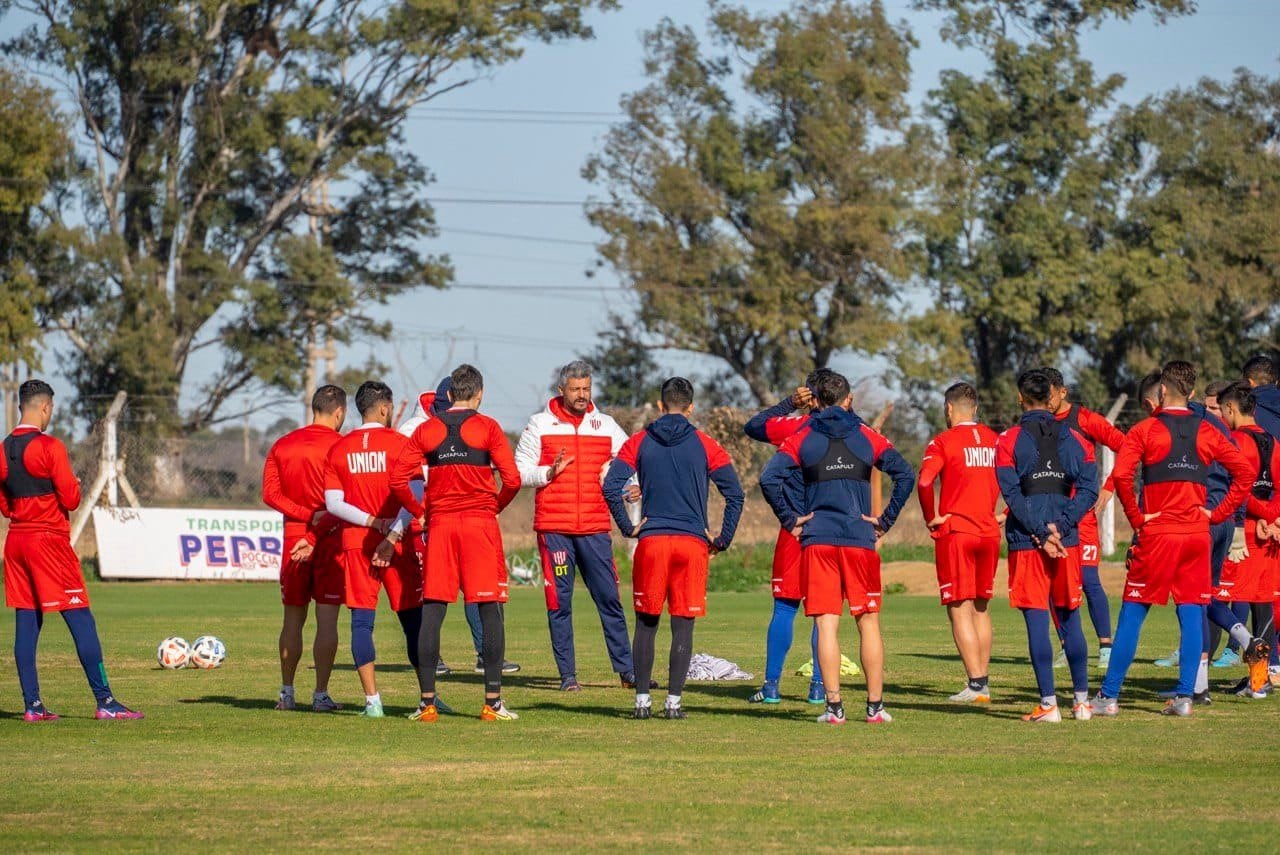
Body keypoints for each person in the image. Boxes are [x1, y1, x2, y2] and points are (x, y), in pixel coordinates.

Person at [1095, 360, 1253, 717]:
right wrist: (1218, 512)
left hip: (1158, 536)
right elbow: (1244, 472)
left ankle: (1108, 696)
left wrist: (1137, 519)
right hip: (1196, 535)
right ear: (1193, 393)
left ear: (1163, 390)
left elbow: (1122, 476)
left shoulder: (1145, 430)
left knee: (1133, 612)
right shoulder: (1208, 430)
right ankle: (1184, 697)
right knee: (1192, 611)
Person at [759, 371, 915, 726]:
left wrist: (790, 519)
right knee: (868, 623)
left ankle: (834, 708)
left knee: (826, 624)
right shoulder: (866, 435)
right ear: (848, 400)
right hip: (860, 540)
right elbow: (905, 474)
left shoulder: (803, 436)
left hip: (818, 540)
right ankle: (874, 707)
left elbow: (768, 478)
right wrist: (885, 520)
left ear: (816, 401)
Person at [603, 377, 745, 720]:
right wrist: (722, 539)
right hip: (691, 544)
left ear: (660, 405)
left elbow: (610, 486)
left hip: (652, 543)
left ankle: (642, 702)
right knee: (683, 626)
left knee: (646, 624)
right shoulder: (706, 444)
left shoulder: (639, 441)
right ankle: (674, 703)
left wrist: (628, 527)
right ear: (691, 407)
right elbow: (736, 494)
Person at [1, 379, 142, 721]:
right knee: (80, 618)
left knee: (26, 623)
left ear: (21, 406)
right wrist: (73, 485)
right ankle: (105, 701)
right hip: (48, 543)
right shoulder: (50, 446)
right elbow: (71, 499)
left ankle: (33, 706)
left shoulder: (2, 450)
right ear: (45, 407)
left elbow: (5, 506)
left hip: (16, 542)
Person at [391, 364, 522, 722]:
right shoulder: (489, 427)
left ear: (449, 395)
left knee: (433, 609)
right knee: (489, 608)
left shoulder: (427, 429)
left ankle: (427, 703)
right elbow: (512, 479)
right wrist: (494, 506)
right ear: (479, 394)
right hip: (480, 525)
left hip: (441, 527)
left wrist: (419, 511)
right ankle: (492, 703)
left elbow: (398, 478)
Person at [515, 360, 639, 691]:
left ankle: (627, 672)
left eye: (586, 388)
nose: (582, 395)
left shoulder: (606, 425)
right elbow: (519, 471)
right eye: (575, 389)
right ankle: (568, 676)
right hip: (554, 530)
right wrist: (548, 472)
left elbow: (631, 460)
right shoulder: (539, 424)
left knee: (610, 599)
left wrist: (632, 485)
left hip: (595, 529)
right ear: (561, 390)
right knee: (560, 603)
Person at [995, 370, 1099, 723]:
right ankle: (1082, 703)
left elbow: (1011, 494)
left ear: (1020, 398)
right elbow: (1089, 489)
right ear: (1052, 397)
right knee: (1070, 618)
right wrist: (1062, 526)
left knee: (1037, 619)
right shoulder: (1077, 439)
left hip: (1027, 541)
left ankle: (1048, 704)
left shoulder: (1008, 440)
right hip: (1066, 541)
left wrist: (1041, 531)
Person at [323, 381, 425, 719]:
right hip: (398, 542)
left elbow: (333, 503)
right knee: (413, 622)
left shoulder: (340, 448)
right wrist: (391, 531)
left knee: (361, 623)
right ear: (384, 408)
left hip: (356, 542)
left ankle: (373, 702)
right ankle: (427, 698)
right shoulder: (400, 444)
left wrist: (371, 522)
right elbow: (416, 494)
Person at [741, 370, 829, 705]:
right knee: (824, 612)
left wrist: (789, 403)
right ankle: (819, 687)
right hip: (830, 530)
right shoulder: (850, 431)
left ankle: (772, 686)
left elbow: (754, 425)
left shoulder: (794, 426)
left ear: (810, 396)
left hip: (794, 529)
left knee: (784, 607)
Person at [261, 384, 347, 712]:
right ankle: (321, 695)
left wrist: (303, 515)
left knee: (292, 619)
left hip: (293, 537)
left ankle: (286, 693)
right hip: (331, 537)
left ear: (314, 408)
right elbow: (347, 499)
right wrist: (317, 518)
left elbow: (270, 494)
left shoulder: (283, 444)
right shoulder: (342, 446)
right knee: (327, 621)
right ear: (339, 412)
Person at [917, 382, 1001, 704]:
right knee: (981, 607)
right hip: (989, 532)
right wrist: (1005, 513)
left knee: (959, 608)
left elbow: (925, 481)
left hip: (957, 533)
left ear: (949, 408)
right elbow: (1020, 480)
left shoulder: (943, 441)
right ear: (975, 409)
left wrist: (931, 517)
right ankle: (983, 682)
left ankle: (976, 684)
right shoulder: (995, 440)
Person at [1042, 368, 1126, 669]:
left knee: (1089, 580)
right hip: (1053, 516)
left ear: (1062, 392)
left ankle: (1106, 647)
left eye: (1049, 395)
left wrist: (1109, 487)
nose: (1045, 402)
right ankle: (1067, 646)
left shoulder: (1086, 420)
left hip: (1084, 517)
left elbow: (1128, 448)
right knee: (1055, 583)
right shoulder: (1040, 423)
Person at [1208, 381, 1277, 697]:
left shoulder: (1234, 441)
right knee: (1263, 603)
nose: (1221, 416)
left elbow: (1237, 490)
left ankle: (1196, 681)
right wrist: (1272, 516)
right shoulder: (1273, 442)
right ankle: (1259, 681)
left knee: (1212, 599)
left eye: (1221, 410)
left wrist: (1262, 515)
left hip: (1241, 535)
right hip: (1267, 534)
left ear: (1231, 408)